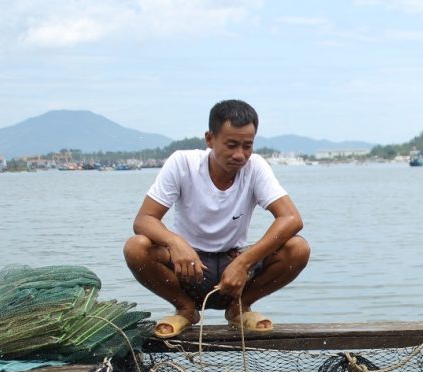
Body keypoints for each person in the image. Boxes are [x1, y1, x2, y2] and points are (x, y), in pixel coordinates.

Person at [124, 99, 310, 338]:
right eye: (231, 145)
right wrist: (175, 242)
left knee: (298, 249)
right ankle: (185, 307)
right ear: (210, 139)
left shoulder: (256, 167)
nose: (240, 155)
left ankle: (239, 307)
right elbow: (144, 219)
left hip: (235, 266)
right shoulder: (183, 163)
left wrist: (245, 263)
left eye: (247, 146)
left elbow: (291, 218)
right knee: (136, 248)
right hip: (188, 266)